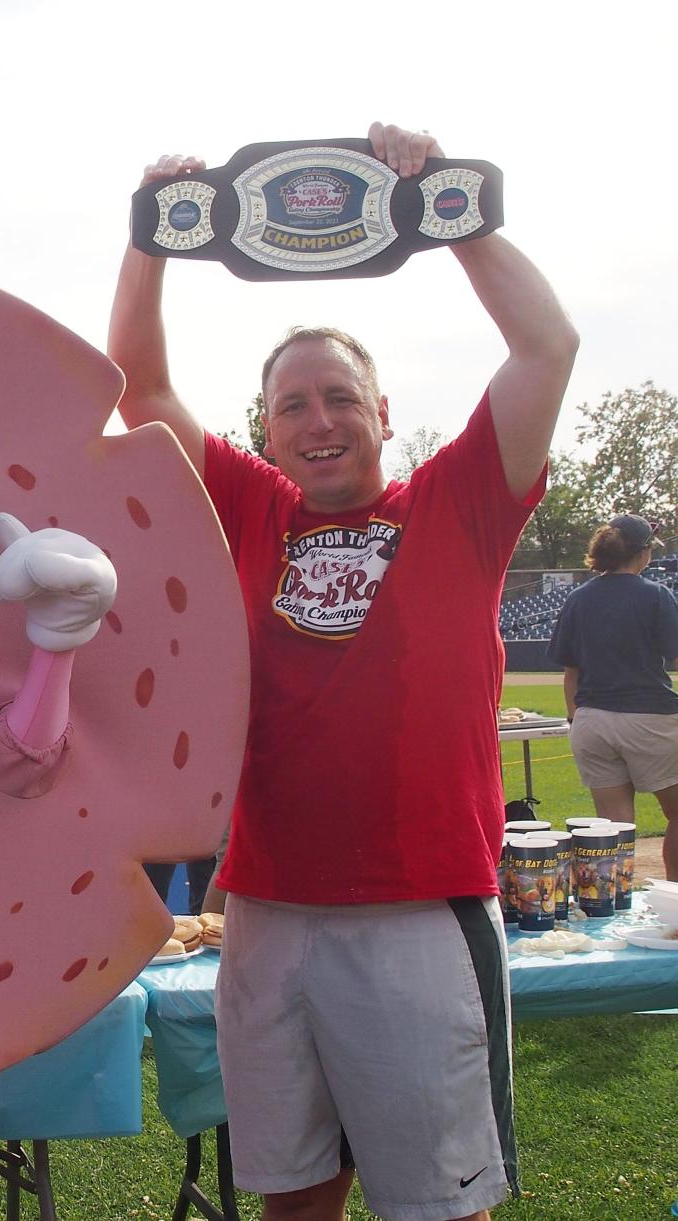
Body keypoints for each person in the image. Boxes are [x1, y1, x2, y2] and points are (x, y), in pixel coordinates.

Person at [109, 122, 579, 1221]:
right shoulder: (252, 509)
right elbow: (137, 387)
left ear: (382, 416)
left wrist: (452, 211)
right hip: (267, 910)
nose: (318, 420)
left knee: (436, 1204)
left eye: (339, 398)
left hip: (419, 913)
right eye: (292, 404)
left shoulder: (457, 503)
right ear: (265, 432)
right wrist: (153, 234)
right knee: (292, 1194)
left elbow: (546, 347)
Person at [548, 514, 678, 880]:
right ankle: (674, 901)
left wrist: (576, 719)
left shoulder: (578, 598)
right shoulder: (656, 594)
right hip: (650, 717)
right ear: (643, 553)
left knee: (613, 830)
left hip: (591, 721)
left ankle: (609, 907)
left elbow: (570, 672)